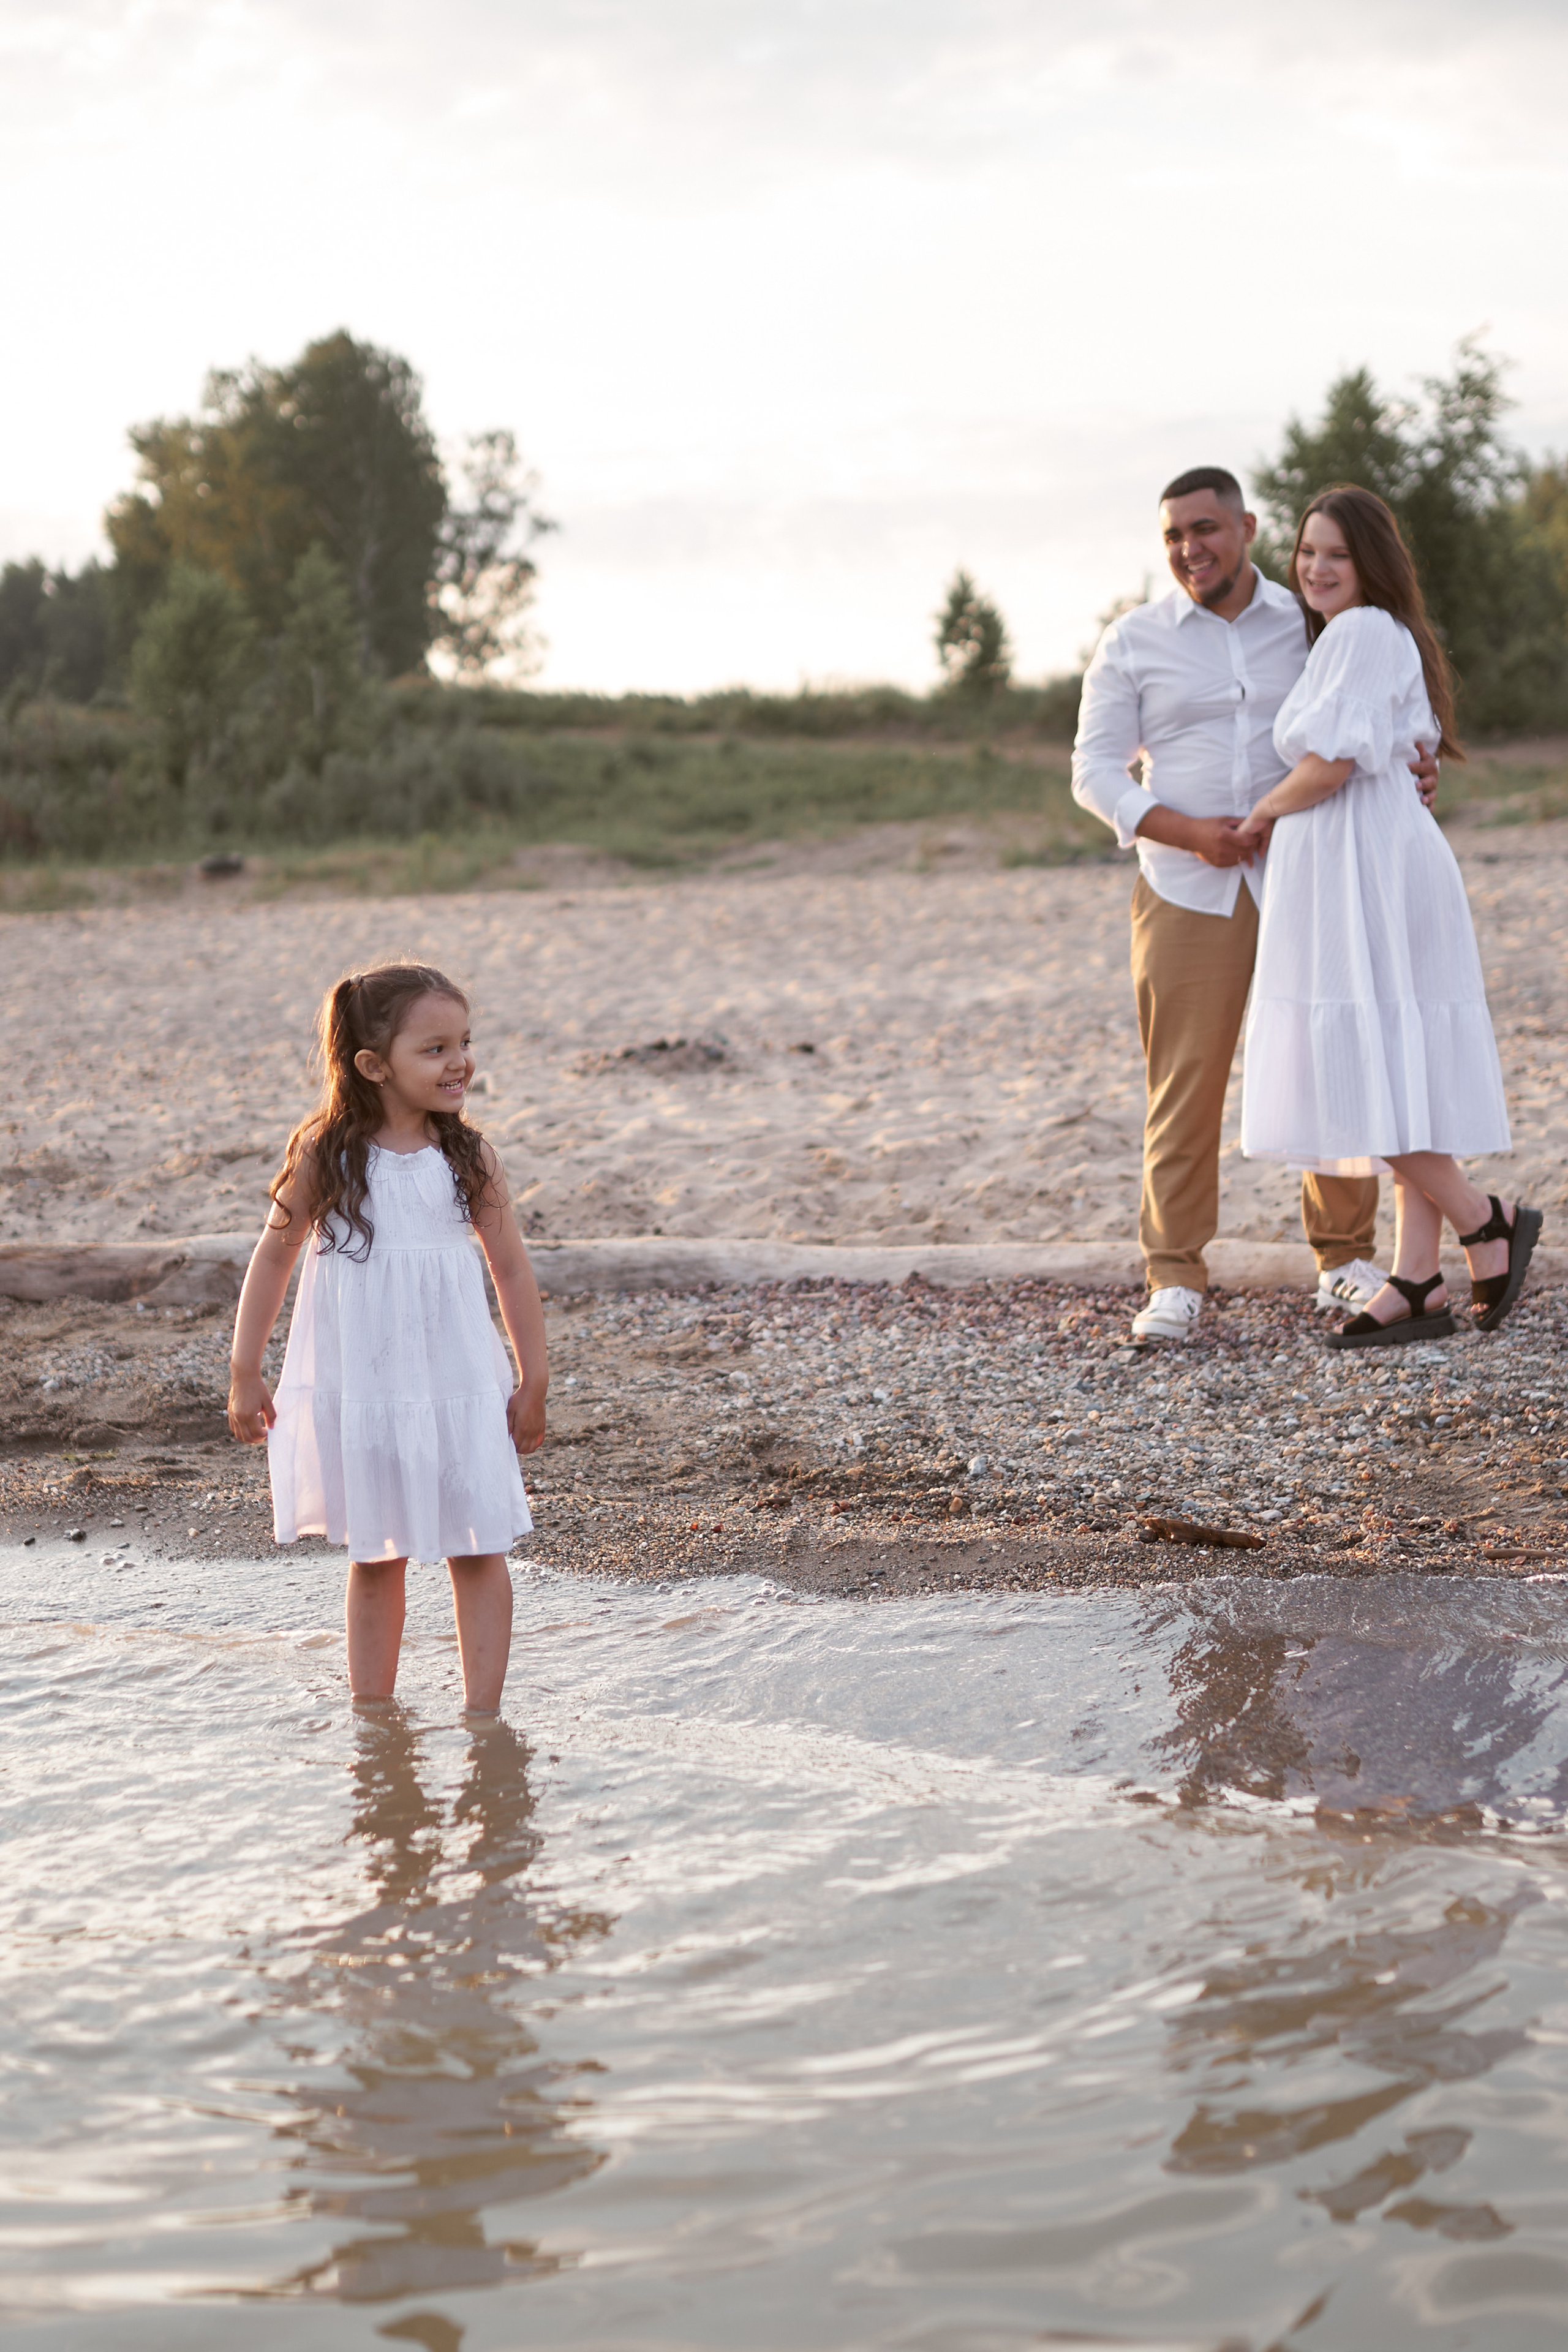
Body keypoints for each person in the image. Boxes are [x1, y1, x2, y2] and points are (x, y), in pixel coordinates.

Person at [1072, 467, 1440, 1346]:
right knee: (1186, 1085)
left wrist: (1419, 757)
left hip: (1309, 883)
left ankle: (1345, 1259)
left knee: (1333, 1059)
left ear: (1246, 527)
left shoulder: (1316, 621)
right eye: (1172, 536)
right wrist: (1191, 832)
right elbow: (1093, 773)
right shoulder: (1134, 640)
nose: (1189, 549)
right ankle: (1174, 1276)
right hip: (1185, 886)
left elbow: (1378, 709)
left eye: (1205, 529)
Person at [1234, 486, 1539, 1347]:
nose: (1317, 568)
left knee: (1359, 1068)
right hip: (1362, 863)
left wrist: (1259, 816)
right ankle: (1416, 1280)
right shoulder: (1354, 636)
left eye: (1336, 553)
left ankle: (1488, 1222)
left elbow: (1330, 765)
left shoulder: (1364, 631)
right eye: (1307, 552)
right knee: (1394, 1062)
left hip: (1361, 868)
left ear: (1372, 563)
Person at [227, 962, 548, 1711]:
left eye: (463, 1042)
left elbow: (511, 1269)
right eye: (433, 1049)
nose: (460, 1061)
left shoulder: (468, 1156)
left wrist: (534, 1379)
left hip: (459, 1384)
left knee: (479, 1545)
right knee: (378, 1555)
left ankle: (483, 1723)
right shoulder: (327, 1156)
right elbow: (273, 1258)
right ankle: (373, 1723)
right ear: (373, 1065)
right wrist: (246, 1370)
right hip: (367, 1387)